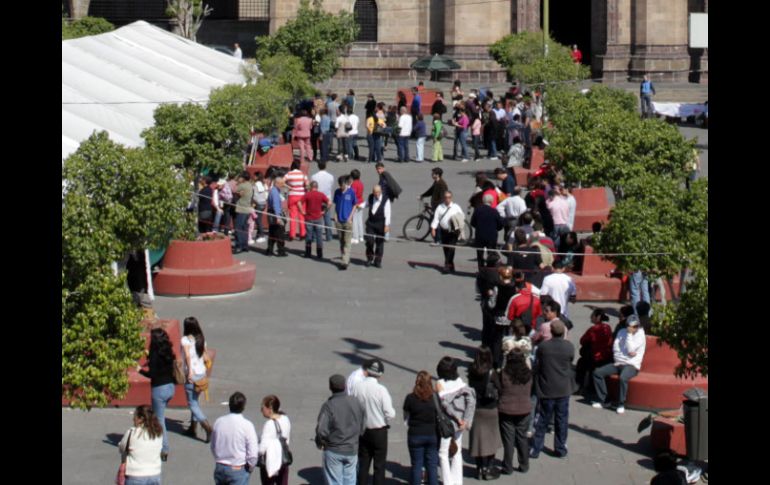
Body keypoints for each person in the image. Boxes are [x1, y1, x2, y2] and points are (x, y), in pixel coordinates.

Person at [529, 320, 576, 459]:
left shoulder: (544, 347)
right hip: (563, 388)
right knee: (561, 420)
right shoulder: (569, 347)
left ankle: (536, 448)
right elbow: (570, 361)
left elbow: (538, 364)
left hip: (546, 388)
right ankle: (560, 448)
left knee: (542, 418)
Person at [316, 374, 367, 485]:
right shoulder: (356, 401)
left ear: (330, 387)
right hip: (352, 448)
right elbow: (363, 423)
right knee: (350, 479)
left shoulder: (329, 405)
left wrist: (321, 441)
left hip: (334, 449)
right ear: (345, 386)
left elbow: (321, 430)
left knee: (334, 481)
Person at [352, 360, 396, 485]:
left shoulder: (357, 387)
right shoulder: (381, 390)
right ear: (380, 374)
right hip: (379, 431)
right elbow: (390, 413)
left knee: (363, 464)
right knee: (379, 465)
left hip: (363, 430)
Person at [592, 315, 646, 414]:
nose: (634, 328)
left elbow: (631, 350)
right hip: (618, 363)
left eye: (635, 326)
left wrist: (629, 336)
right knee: (597, 373)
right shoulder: (621, 332)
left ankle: (621, 403)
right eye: (631, 326)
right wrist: (624, 356)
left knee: (623, 378)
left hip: (631, 365)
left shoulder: (640, 335)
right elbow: (616, 348)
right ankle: (605, 400)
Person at [436, 356, 476, 485]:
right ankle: (458, 482)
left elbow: (444, 405)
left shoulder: (440, 384)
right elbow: (471, 402)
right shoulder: (461, 383)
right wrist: (465, 420)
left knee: (443, 452)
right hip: (460, 425)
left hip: (447, 424)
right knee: (457, 451)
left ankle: (448, 482)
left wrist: (457, 418)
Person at [138, 329, 176, 462]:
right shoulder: (168, 351)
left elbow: (152, 374)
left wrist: (140, 370)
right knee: (160, 416)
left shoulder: (154, 354)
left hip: (159, 389)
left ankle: (164, 448)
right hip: (170, 387)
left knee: (159, 419)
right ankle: (156, 442)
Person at [467, 346, 503, 480]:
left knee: (477, 440)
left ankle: (479, 468)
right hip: (490, 409)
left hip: (476, 409)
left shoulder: (472, 370)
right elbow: (499, 388)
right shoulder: (491, 372)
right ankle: (488, 467)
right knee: (491, 439)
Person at [211, 392, 260, 485]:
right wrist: (250, 467)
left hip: (220, 466)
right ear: (243, 407)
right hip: (238, 467)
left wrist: (219, 459)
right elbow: (253, 453)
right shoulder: (247, 425)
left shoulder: (219, 422)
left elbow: (213, 445)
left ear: (229, 405)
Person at [497, 351, 532, 475]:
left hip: (506, 410)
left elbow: (499, 389)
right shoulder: (528, 374)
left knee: (508, 440)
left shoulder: (504, 374)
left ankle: (507, 466)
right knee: (522, 437)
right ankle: (524, 464)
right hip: (524, 409)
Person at [403, 371, 439, 485]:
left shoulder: (410, 398)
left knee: (416, 465)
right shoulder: (434, 398)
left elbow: (406, 417)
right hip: (431, 435)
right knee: (432, 466)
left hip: (415, 435)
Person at [181, 316, 213, 443]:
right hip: (202, 373)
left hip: (192, 375)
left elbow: (187, 356)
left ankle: (207, 427)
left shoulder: (185, 340)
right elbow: (205, 355)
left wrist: (189, 372)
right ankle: (192, 428)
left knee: (192, 403)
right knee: (196, 401)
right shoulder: (201, 339)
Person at [118, 405, 164, 485]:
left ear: (141, 419)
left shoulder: (132, 432)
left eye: (135, 416)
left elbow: (122, 448)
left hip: (136, 475)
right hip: (155, 474)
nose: (133, 419)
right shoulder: (158, 433)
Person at [485, 266, 518, 367]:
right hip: (510, 316)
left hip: (499, 315)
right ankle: (509, 359)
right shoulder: (514, 288)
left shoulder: (497, 287)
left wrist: (489, 300)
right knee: (510, 337)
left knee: (497, 339)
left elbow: (492, 303)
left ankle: (496, 360)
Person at [576, 309, 613, 395]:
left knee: (581, 364)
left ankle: (580, 386)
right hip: (607, 356)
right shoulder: (608, 328)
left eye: (592, 315)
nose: (590, 317)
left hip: (596, 357)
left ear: (598, 317)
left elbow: (582, 340)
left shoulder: (594, 329)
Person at [258, 395, 291, 485]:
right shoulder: (285, 419)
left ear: (270, 409)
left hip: (270, 461)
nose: (261, 410)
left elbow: (262, 449)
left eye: (263, 407)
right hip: (283, 459)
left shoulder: (269, 424)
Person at [431, 191, 464, 273]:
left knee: (451, 248)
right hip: (443, 231)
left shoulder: (456, 207)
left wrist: (457, 220)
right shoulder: (440, 207)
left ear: (451, 198)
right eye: (445, 197)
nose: (447, 199)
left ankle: (447, 265)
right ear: (443, 198)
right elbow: (436, 219)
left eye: (449, 197)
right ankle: (451, 265)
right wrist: (433, 229)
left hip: (453, 232)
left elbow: (462, 217)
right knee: (446, 248)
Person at [471, 194, 504, 270]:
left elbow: (472, 222)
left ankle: (481, 270)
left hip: (480, 236)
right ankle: (490, 269)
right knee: (491, 254)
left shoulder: (478, 210)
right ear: (491, 202)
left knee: (480, 255)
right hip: (491, 237)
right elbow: (500, 224)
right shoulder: (494, 211)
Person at [333, 175, 357, 270]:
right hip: (339, 221)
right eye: (340, 185)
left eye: (342, 185)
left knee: (347, 242)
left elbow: (355, 205)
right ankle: (345, 257)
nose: (341, 187)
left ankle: (345, 261)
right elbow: (336, 205)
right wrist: (335, 216)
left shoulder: (351, 192)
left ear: (346, 184)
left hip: (347, 221)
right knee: (341, 241)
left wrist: (350, 217)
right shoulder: (337, 192)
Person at [363, 185, 391, 268]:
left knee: (379, 244)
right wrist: (359, 206)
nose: (376, 194)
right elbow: (366, 204)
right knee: (370, 241)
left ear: (381, 191)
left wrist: (387, 225)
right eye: (375, 192)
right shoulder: (371, 197)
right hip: (371, 223)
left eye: (378, 192)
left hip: (380, 224)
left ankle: (378, 261)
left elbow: (388, 213)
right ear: (373, 192)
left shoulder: (386, 200)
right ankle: (369, 258)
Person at [301, 181, 329, 259]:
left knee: (309, 236)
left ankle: (308, 253)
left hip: (309, 218)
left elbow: (299, 202)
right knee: (319, 236)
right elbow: (329, 203)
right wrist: (324, 211)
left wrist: (302, 212)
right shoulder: (321, 194)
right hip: (318, 218)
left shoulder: (308, 194)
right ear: (317, 187)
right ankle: (319, 254)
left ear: (311, 186)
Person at [311, 161, 336, 242]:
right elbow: (331, 186)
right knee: (327, 218)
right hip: (327, 198)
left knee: (316, 218)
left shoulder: (314, 176)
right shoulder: (330, 176)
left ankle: (315, 237)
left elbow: (312, 186)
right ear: (325, 166)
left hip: (316, 199)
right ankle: (329, 236)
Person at [266, 175, 288, 257]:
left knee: (272, 232)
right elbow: (276, 205)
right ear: (277, 183)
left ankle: (269, 250)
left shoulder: (274, 190)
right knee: (280, 233)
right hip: (275, 214)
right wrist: (278, 217)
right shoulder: (275, 192)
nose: (283, 185)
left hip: (272, 213)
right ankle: (281, 251)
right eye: (282, 184)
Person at [233, 171, 255, 254]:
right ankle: (245, 245)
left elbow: (233, 189)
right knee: (245, 228)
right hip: (247, 208)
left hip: (241, 208)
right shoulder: (250, 185)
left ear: (243, 178)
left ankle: (239, 245)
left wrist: (238, 182)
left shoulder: (242, 185)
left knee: (238, 227)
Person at [252, 173, 268, 244]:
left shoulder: (255, 185)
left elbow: (255, 195)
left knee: (258, 220)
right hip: (263, 203)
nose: (253, 177)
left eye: (254, 176)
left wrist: (253, 201)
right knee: (259, 219)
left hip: (258, 203)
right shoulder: (262, 184)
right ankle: (258, 235)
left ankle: (262, 235)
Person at [349, 169, 365, 244]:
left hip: (356, 203)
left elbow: (353, 194)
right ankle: (361, 236)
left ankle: (355, 237)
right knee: (359, 220)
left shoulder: (353, 184)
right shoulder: (361, 183)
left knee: (354, 221)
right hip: (361, 202)